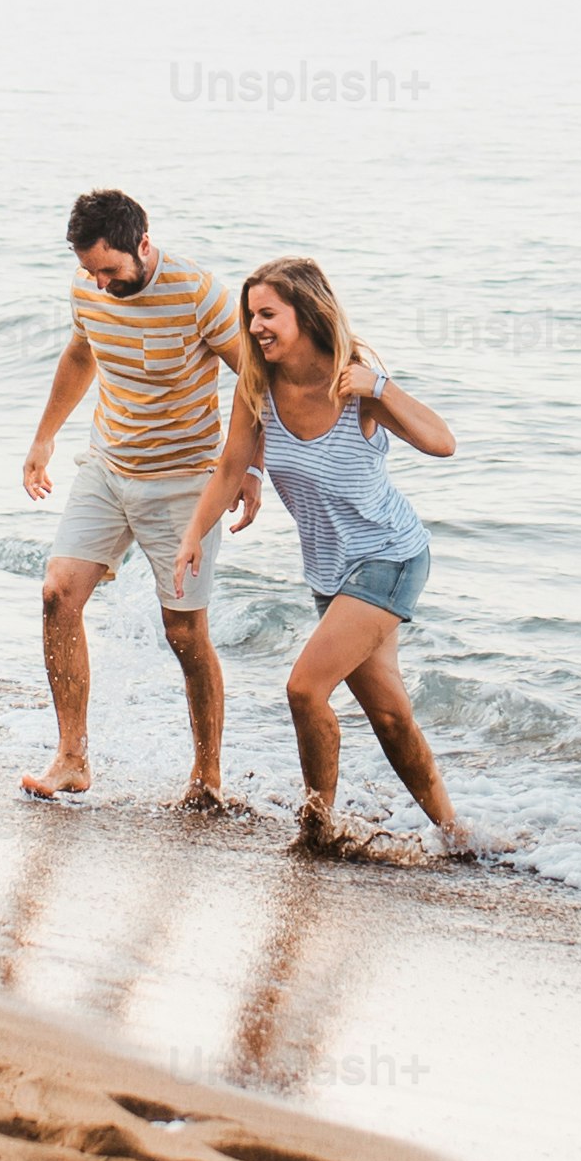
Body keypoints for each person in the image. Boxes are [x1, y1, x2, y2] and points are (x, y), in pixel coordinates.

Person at [174, 254, 470, 857]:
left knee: (305, 689)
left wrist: (379, 385)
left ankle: (317, 828)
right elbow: (232, 466)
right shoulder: (258, 389)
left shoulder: (353, 384)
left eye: (268, 314)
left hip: (390, 557)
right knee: (389, 718)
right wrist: (192, 536)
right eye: (250, 314)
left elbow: (443, 443)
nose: (255, 326)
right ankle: (461, 837)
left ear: (306, 313)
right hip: (330, 572)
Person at [18, 188, 252, 807]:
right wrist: (44, 439)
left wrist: (246, 467)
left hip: (182, 483)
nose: (98, 284)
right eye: (89, 271)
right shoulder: (87, 286)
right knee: (56, 596)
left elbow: (254, 380)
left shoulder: (198, 292)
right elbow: (80, 352)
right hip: (107, 467)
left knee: (183, 632)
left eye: (110, 271)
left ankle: (207, 778)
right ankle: (72, 759)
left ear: (142, 245)